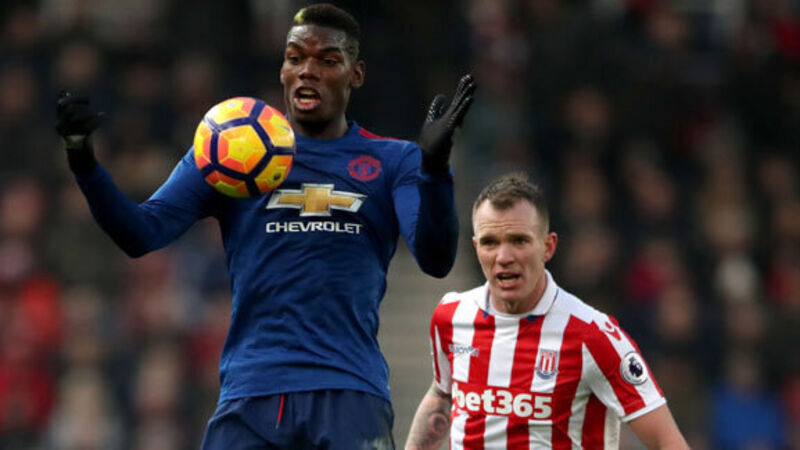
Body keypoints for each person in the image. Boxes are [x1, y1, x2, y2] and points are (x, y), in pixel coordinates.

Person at [54, 4, 476, 449]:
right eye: (296, 58)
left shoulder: (394, 160)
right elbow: (140, 234)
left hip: (348, 390)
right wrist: (83, 160)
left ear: (356, 75)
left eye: (327, 60)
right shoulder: (232, 149)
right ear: (283, 70)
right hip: (252, 393)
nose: (307, 70)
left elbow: (435, 259)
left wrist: (434, 170)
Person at [405, 173, 689, 449]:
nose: (504, 257)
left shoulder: (592, 335)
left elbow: (667, 442)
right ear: (476, 247)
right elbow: (443, 393)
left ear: (548, 247)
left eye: (519, 240)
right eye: (490, 242)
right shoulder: (451, 316)